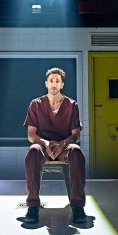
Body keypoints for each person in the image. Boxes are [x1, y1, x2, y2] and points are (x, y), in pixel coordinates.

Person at [23, 67, 85, 224]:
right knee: (33, 150)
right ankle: (32, 206)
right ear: (46, 83)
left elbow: (76, 135)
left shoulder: (72, 105)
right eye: (51, 80)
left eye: (57, 81)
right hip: (43, 148)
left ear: (62, 84)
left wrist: (63, 144)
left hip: (65, 147)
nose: (54, 84)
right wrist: (45, 143)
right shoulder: (36, 104)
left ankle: (77, 206)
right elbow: (31, 135)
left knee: (76, 150)